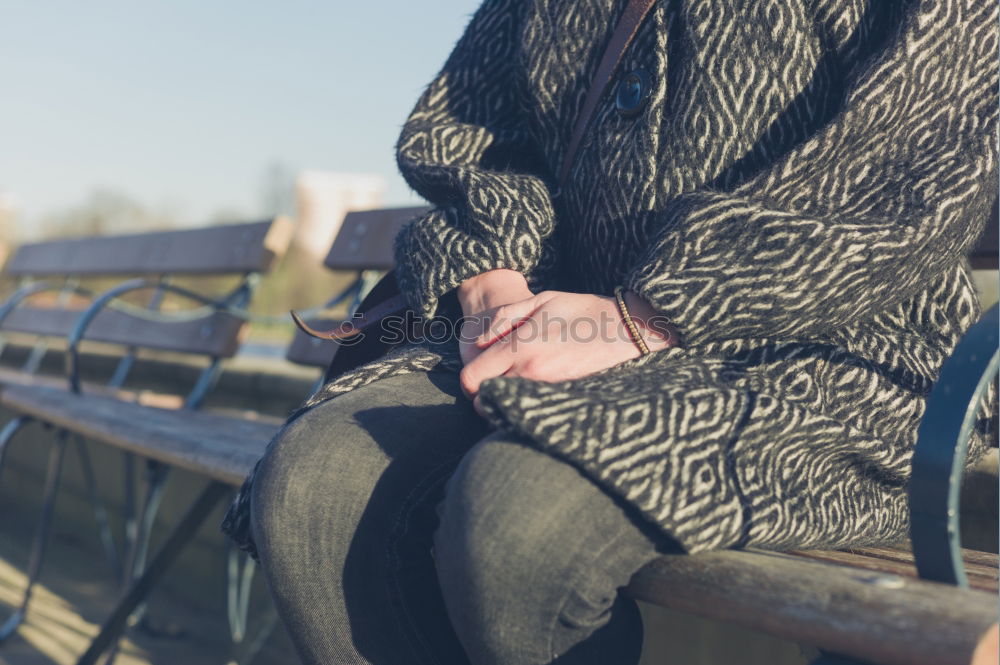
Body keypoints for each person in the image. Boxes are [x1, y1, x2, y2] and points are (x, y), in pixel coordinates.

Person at [221, 1, 999, 663]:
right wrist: (493, 280)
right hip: (571, 323)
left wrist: (649, 313)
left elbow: (915, 154)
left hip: (834, 349)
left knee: (519, 523)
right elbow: (481, 133)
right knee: (315, 484)